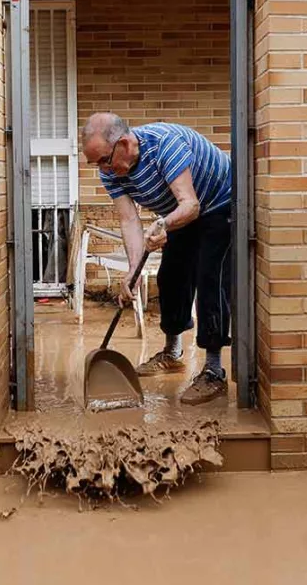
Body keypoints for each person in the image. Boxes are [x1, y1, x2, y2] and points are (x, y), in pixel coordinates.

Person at [81, 113, 232, 405]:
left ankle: (214, 370)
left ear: (124, 143)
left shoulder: (165, 146)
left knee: (210, 278)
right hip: (181, 212)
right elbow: (128, 220)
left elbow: (191, 205)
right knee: (172, 276)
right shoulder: (111, 169)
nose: (102, 169)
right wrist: (133, 272)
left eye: (103, 160)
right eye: (95, 163)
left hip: (219, 202)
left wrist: (163, 224)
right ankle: (172, 352)